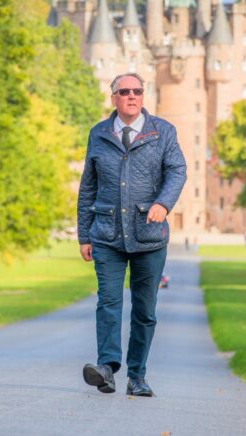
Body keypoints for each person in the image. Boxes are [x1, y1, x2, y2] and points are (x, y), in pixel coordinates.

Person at [77, 73, 186, 398]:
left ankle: (137, 376)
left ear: (143, 95)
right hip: (107, 234)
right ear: (114, 98)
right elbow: (88, 187)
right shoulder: (98, 134)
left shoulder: (163, 131)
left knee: (144, 310)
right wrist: (84, 234)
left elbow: (177, 170)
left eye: (137, 91)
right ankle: (107, 368)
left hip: (149, 236)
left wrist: (163, 204)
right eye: (124, 92)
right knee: (108, 302)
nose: (131, 96)